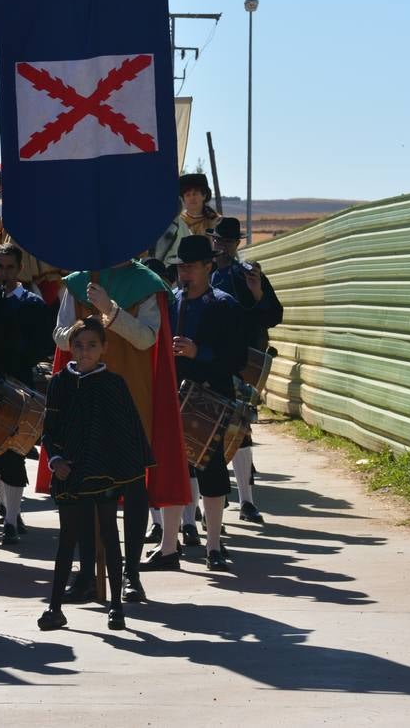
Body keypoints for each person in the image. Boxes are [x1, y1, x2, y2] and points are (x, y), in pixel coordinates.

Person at [44, 259, 188, 604]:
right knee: (83, 488)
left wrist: (110, 309)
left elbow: (146, 339)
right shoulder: (78, 282)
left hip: (131, 396)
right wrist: (85, 329)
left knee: (133, 488)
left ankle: (130, 576)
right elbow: (61, 337)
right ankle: (86, 575)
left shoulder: (146, 283)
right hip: (83, 399)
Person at [39, 318, 152, 631]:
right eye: (78, 345)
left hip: (104, 475)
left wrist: (122, 473)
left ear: (104, 348)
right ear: (70, 347)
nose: (84, 351)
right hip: (70, 474)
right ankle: (55, 606)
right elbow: (49, 431)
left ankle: (116, 605)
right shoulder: (60, 382)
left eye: (91, 345)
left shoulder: (114, 384)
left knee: (108, 536)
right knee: (67, 540)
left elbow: (127, 434)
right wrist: (56, 460)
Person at [169, 234, 247, 570]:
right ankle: (171, 542)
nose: (185, 273)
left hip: (212, 398)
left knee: (212, 470)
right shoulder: (171, 303)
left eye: (191, 267)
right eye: (181, 266)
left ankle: (214, 545)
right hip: (175, 396)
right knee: (175, 468)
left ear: (207, 266)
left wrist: (199, 353)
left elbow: (238, 359)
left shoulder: (225, 305)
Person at [210, 216, 284, 525]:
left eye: (228, 241)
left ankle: (247, 501)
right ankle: (210, 501)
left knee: (241, 428)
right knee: (207, 429)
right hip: (207, 359)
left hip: (239, 361)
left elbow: (273, 316)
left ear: (237, 244)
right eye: (218, 240)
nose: (222, 245)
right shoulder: (204, 272)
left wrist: (257, 293)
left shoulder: (248, 274)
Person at [0, 243, 53, 546]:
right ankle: (2, 506)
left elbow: (43, 346)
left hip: (19, 385)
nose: (4, 273)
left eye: (10, 268)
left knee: (13, 453)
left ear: (19, 269)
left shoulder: (32, 304)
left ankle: (12, 521)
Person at [0, 168, 67, 306]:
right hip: (17, 280)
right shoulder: (7, 216)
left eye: (3, 191)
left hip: (49, 280)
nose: (1, 196)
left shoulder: (45, 208)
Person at [151, 172, 220, 266]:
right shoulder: (176, 223)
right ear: (183, 199)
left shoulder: (216, 221)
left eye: (195, 194)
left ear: (204, 196)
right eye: (188, 195)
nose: (192, 198)